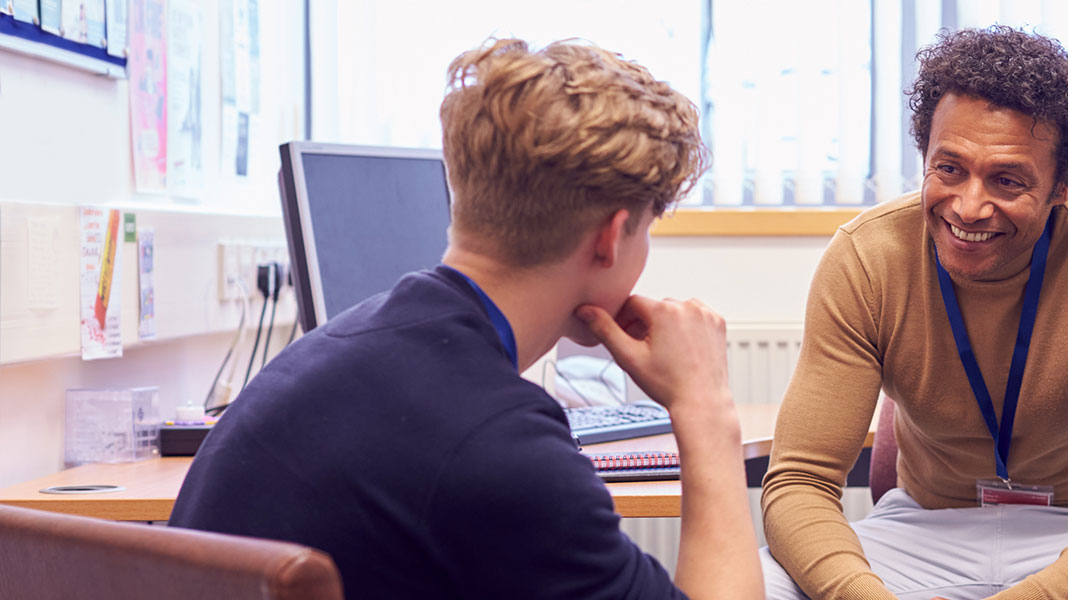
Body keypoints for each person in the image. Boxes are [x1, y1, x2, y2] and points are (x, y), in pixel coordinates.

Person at [170, 38, 761, 599]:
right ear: (610, 238)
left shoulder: (330, 351)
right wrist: (705, 407)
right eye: (649, 226)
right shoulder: (502, 448)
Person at [760, 26, 1068, 600]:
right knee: (749, 585)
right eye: (949, 169)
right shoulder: (866, 257)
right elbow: (800, 481)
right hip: (922, 529)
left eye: (1007, 180)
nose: (969, 207)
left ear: (1063, 187)